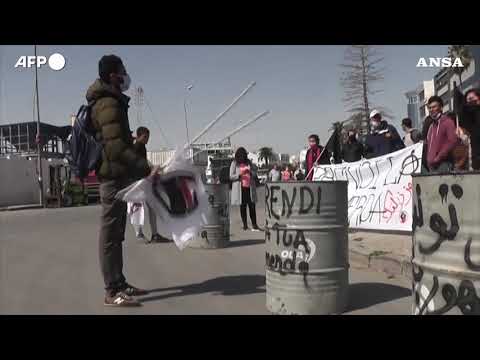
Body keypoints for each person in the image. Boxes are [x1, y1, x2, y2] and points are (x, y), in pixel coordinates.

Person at [87, 54, 155, 307]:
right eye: (123, 70)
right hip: (112, 179)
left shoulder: (112, 101)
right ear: (113, 75)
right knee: (109, 235)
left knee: (116, 235)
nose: (126, 75)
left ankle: (119, 282)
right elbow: (115, 148)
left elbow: (120, 143)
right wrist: (143, 166)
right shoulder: (108, 104)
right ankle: (111, 290)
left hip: (118, 177)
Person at [130, 126, 170, 243]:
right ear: (139, 136)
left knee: (151, 206)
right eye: (145, 137)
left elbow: (144, 162)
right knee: (138, 208)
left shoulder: (142, 146)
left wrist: (153, 167)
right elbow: (137, 164)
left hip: (144, 181)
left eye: (148, 137)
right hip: (138, 182)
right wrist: (152, 170)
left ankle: (154, 234)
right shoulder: (135, 147)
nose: (148, 139)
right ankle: (140, 234)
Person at [424, 96, 458, 173]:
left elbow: (452, 141)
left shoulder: (448, 122)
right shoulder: (431, 126)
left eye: (434, 107)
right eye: (430, 108)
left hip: (444, 164)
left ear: (441, 108)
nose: (431, 109)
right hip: (431, 167)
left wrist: (438, 157)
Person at [230, 147, 260, 231]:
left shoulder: (249, 162)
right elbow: (231, 176)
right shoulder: (234, 163)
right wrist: (239, 175)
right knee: (243, 207)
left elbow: (255, 173)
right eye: (242, 156)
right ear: (239, 156)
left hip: (249, 188)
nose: (244, 157)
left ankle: (254, 224)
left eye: (245, 155)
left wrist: (250, 172)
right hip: (240, 189)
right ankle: (245, 225)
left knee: (252, 206)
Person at [461, 88, 480, 169]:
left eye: (472, 99)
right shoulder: (470, 117)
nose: (470, 102)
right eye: (468, 101)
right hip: (477, 160)